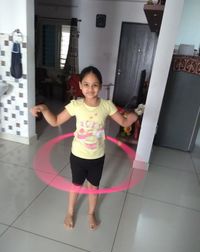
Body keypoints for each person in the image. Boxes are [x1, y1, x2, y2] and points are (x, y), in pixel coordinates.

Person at [31, 66, 138, 230]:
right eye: (86, 84)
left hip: (97, 157)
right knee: (76, 186)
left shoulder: (107, 106)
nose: (90, 89)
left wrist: (133, 117)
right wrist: (44, 109)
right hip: (78, 156)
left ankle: (91, 213)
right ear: (80, 86)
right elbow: (55, 121)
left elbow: (124, 122)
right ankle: (70, 212)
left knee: (94, 187)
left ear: (100, 87)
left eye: (95, 85)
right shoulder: (76, 105)